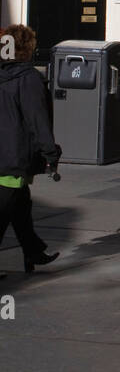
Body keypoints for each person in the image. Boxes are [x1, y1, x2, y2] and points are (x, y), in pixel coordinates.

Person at [0, 25, 61, 275]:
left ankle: (33, 251)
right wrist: (51, 152)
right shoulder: (29, 79)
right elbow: (38, 120)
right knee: (4, 209)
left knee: (20, 205)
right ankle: (32, 251)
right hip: (13, 157)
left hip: (5, 155)